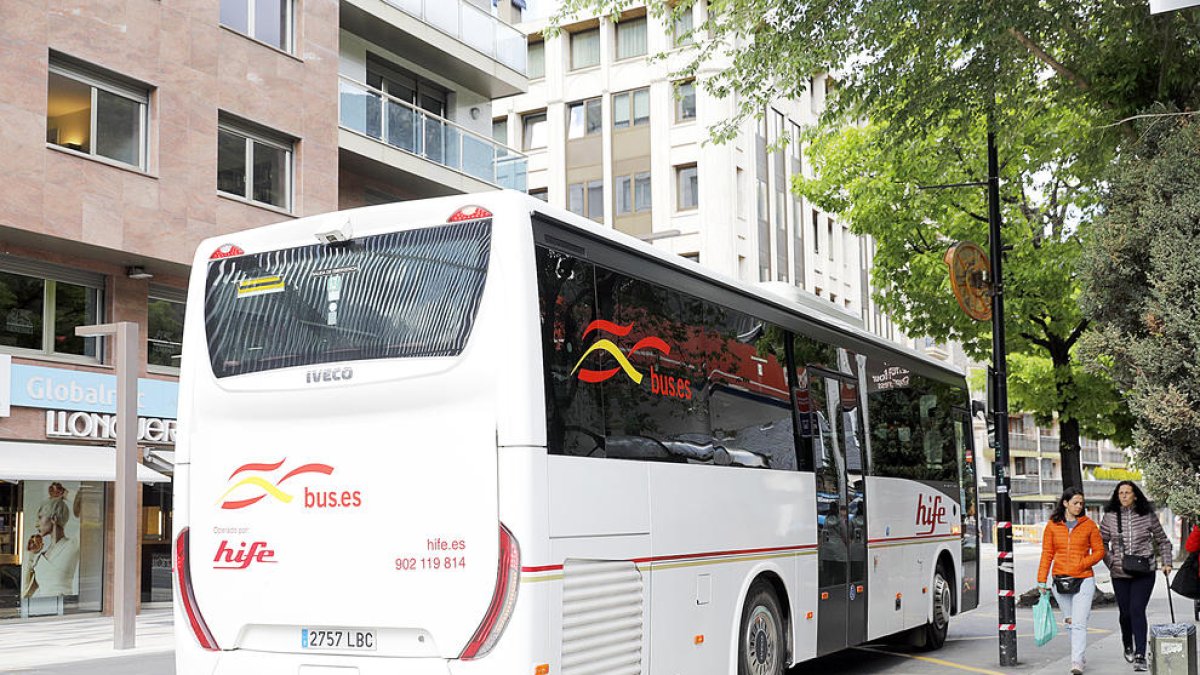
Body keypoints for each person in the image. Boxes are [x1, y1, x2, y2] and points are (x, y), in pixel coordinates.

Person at [1099, 481, 1173, 672]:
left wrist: (1167, 562)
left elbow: (1163, 541)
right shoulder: (1110, 517)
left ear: (1135, 495)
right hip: (1119, 573)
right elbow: (1101, 544)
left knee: (1137, 609)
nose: (1123, 496)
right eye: (1120, 493)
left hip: (1144, 571)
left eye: (1127, 492)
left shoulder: (1147, 516)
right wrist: (1112, 562)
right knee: (1125, 614)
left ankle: (1140, 654)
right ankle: (1127, 642)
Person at [1038, 487, 1105, 675]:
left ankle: (1076, 661)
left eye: (1081, 503)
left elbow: (1099, 551)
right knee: (1070, 621)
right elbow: (1047, 553)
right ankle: (1080, 653)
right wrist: (1041, 580)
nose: (1079, 506)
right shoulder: (1052, 525)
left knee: (1079, 622)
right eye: (1075, 502)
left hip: (1084, 579)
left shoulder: (1089, 525)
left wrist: (1083, 563)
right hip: (1060, 581)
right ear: (1065, 503)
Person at [21, 482, 80, 598]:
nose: (36, 524)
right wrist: (31, 555)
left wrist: (65, 494)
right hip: (44, 610)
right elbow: (25, 592)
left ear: (53, 518)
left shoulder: (73, 545)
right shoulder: (40, 557)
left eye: (40, 517)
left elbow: (90, 509)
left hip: (64, 609)